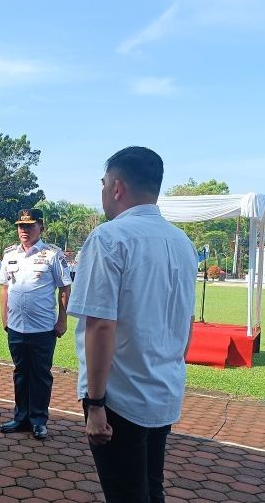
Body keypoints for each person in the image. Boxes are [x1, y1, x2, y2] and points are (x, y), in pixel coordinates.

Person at [68, 146, 197, 503]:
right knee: (151, 487)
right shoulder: (183, 243)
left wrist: (95, 403)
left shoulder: (109, 238)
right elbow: (185, 323)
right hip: (164, 388)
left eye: (103, 183)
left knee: (125, 493)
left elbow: (100, 326)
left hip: (120, 397)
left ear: (117, 187)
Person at [0, 208, 71, 441]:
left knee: (40, 374)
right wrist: (4, 318)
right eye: (21, 226)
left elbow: (65, 288)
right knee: (21, 373)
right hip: (16, 326)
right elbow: (4, 288)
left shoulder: (52, 254)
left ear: (41, 227)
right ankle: (21, 418)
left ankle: (38, 420)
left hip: (43, 328)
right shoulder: (10, 254)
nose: (24, 230)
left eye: (29, 226)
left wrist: (62, 319)